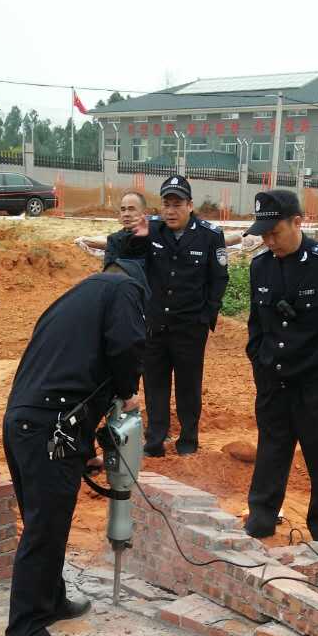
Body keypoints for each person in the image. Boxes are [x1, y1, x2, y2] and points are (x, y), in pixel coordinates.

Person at [2, 235, 149, 636]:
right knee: (44, 528)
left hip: (27, 422)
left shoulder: (80, 294)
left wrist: (84, 446)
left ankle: (50, 599)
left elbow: (73, 363)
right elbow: (126, 345)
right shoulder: (124, 290)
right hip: (49, 426)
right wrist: (128, 390)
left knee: (49, 521)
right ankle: (25, 630)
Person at [242, 188, 318, 541]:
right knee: (271, 451)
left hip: (314, 382)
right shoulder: (260, 266)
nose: (269, 241)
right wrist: (259, 361)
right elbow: (256, 324)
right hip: (273, 380)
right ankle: (261, 519)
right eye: (263, 234)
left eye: (274, 233)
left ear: (297, 222)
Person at [141, 175, 228, 457]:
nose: (171, 211)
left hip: (190, 327)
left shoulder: (209, 235)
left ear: (190, 205)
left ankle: (188, 440)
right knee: (154, 384)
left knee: (188, 386)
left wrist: (206, 317)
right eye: (166, 204)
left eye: (177, 204)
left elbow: (219, 278)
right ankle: (155, 439)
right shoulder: (152, 230)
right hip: (155, 324)